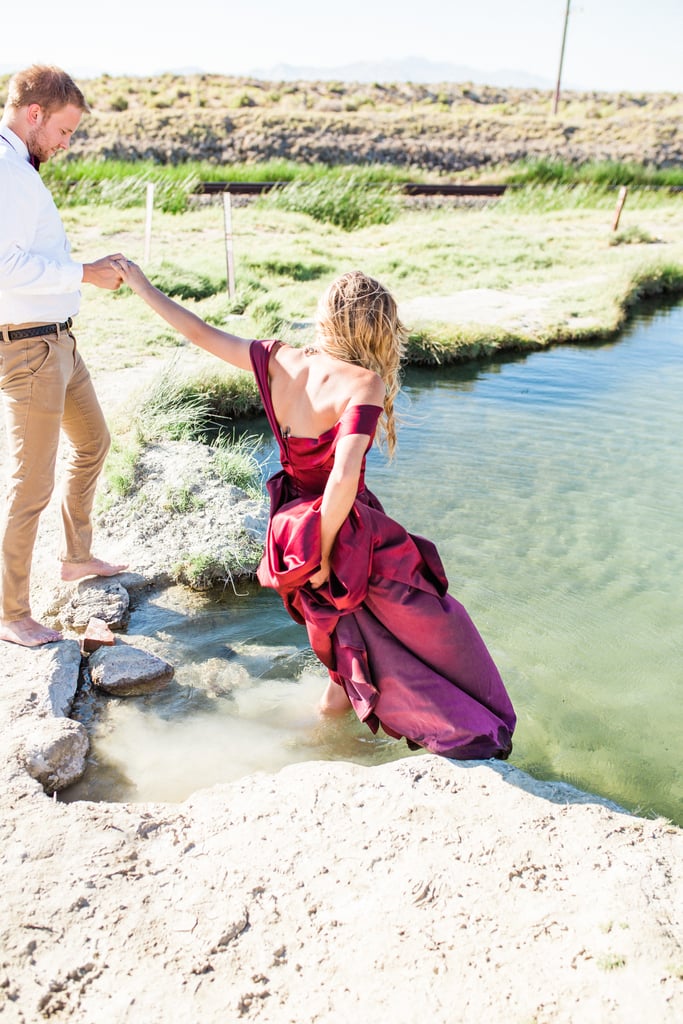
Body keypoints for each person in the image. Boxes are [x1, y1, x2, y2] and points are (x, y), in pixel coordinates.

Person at [113, 258, 516, 760]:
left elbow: (196, 330)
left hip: (291, 527)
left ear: (327, 318)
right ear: (379, 330)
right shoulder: (364, 383)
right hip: (342, 531)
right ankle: (467, 731)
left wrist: (141, 284)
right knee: (439, 626)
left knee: (344, 641)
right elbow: (344, 477)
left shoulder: (278, 360)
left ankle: (319, 739)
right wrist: (324, 553)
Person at [0, 65, 128, 647]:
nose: (66, 144)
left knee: (95, 442)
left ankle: (76, 557)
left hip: (58, 340)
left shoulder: (20, 168)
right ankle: (9, 614)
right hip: (28, 348)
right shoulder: (5, 172)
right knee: (31, 485)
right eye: (64, 131)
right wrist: (85, 272)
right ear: (34, 115)